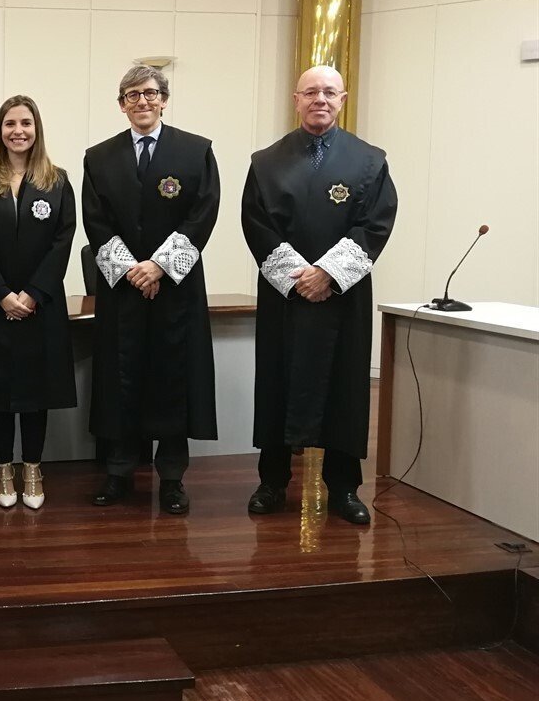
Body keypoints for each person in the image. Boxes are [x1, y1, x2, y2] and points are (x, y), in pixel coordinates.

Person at [241, 65, 397, 525]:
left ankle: (344, 489)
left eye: (329, 92)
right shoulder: (266, 161)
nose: (320, 99)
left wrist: (327, 273)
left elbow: (376, 222)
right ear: (296, 100)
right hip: (285, 296)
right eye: (310, 92)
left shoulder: (370, 161)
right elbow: (255, 222)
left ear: (343, 99)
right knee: (277, 383)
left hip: (342, 298)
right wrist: (298, 276)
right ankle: (272, 482)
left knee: (345, 388)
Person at [82, 64, 220, 514]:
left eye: (150, 93)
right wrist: (133, 270)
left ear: (164, 100)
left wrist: (159, 266)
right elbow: (95, 222)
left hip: (175, 291)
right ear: (121, 104)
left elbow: (203, 214)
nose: (142, 101)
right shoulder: (99, 157)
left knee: (173, 379)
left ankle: (173, 479)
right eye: (132, 95)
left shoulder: (196, 151)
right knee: (121, 380)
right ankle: (119, 472)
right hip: (123, 291)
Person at [0, 95, 76, 509]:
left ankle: (32, 468)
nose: (18, 131)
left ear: (36, 129)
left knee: (35, 392)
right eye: (10, 124)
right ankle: (2, 468)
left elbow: (63, 241)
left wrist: (32, 293)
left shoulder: (57, 181)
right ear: (0, 132)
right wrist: (1, 294)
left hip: (39, 306)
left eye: (25, 123)